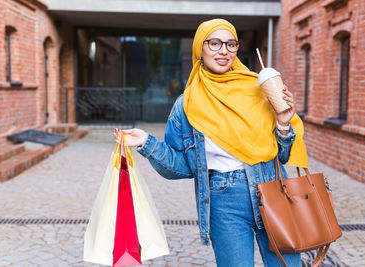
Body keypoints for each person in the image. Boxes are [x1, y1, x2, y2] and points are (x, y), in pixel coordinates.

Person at [113, 18, 309, 267]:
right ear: (200, 48)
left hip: (272, 189)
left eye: (231, 43)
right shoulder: (186, 104)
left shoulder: (259, 90)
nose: (224, 51)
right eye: (214, 43)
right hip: (223, 201)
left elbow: (282, 155)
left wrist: (283, 122)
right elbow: (182, 166)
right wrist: (146, 143)